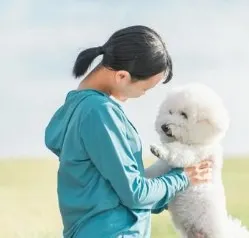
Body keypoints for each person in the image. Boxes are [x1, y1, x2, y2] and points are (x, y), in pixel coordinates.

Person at [44, 25, 212, 238]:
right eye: (144, 89)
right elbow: (136, 194)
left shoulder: (76, 108)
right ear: (122, 77)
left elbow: (114, 193)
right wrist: (183, 177)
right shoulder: (99, 112)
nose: (142, 95)